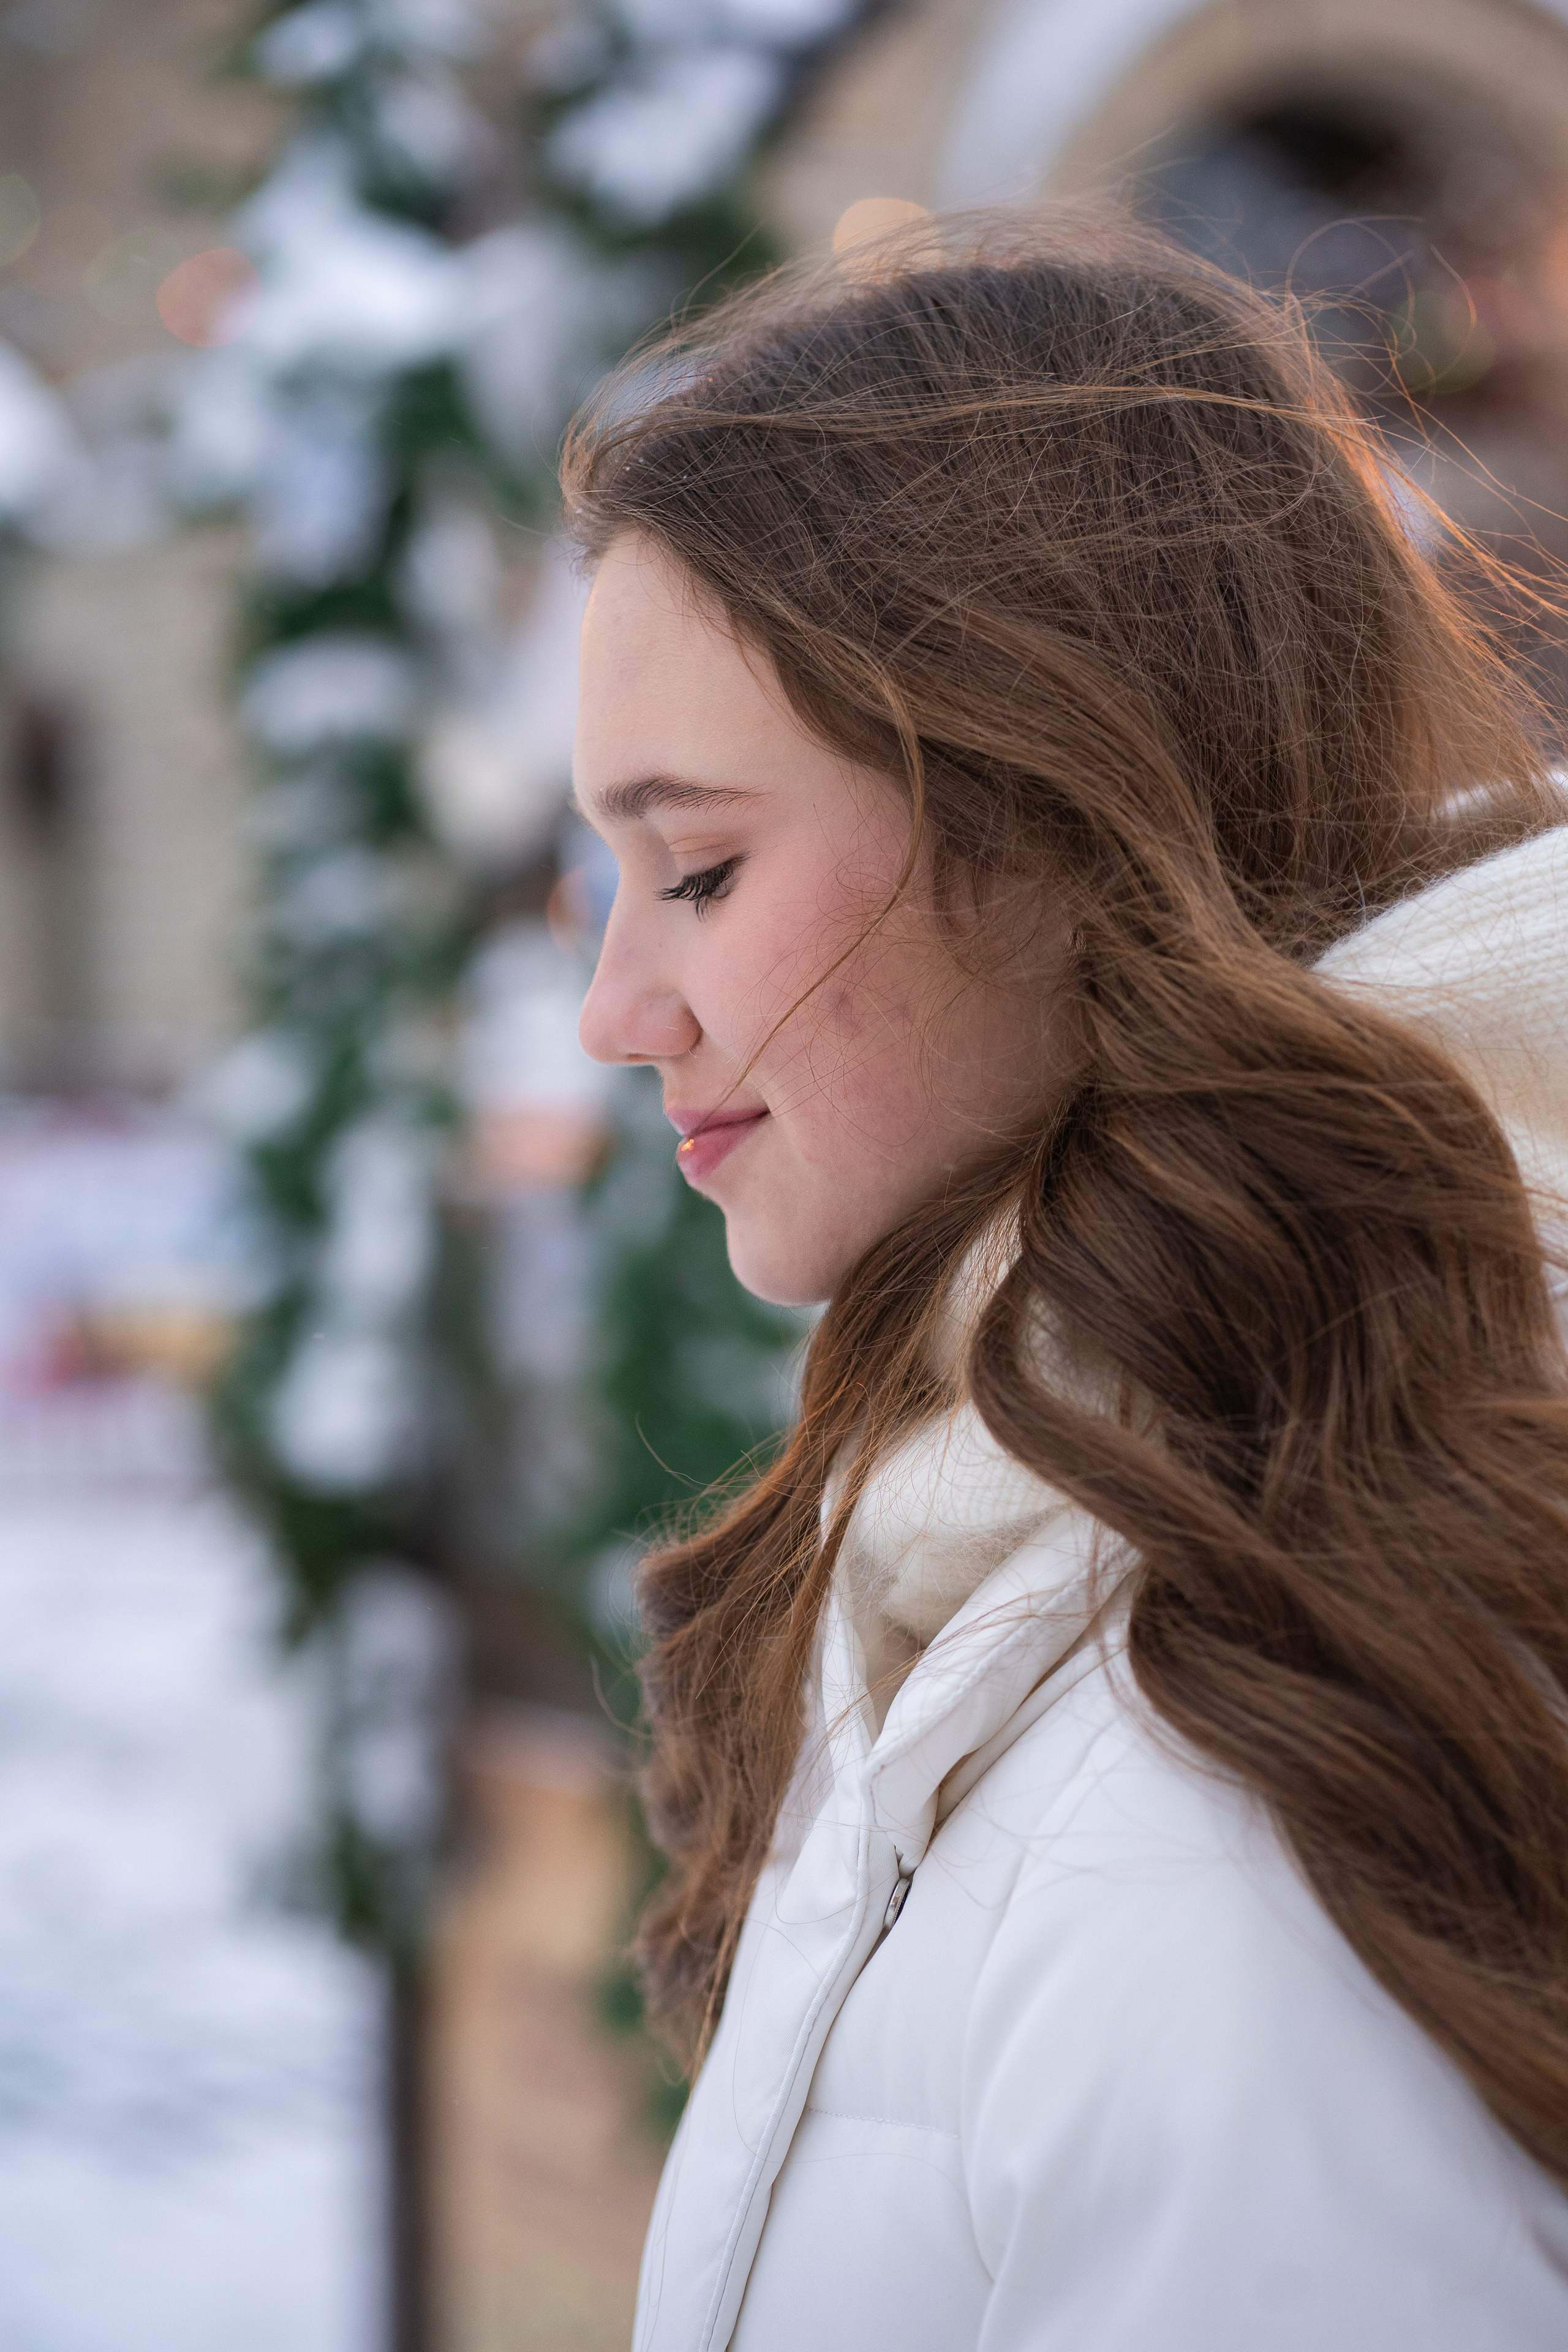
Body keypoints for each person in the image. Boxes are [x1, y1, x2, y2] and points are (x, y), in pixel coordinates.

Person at [565, 214, 1568, 2350]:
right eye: (611, 876)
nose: (613, 1005)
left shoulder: (1231, 1798)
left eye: (703, 869)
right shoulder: (1028, 1549)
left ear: (1056, 818)